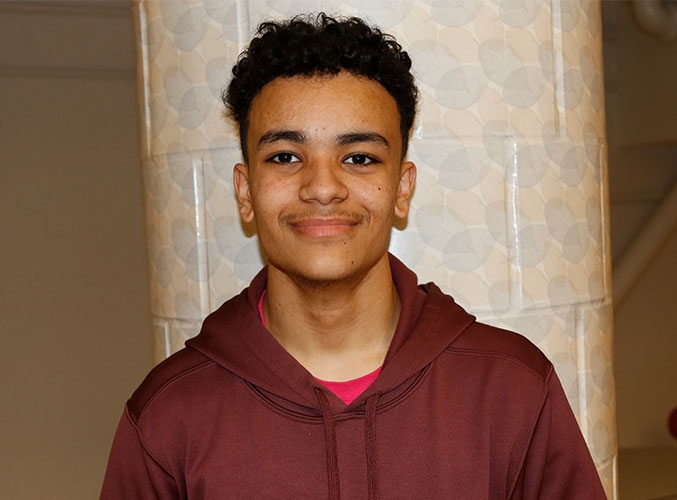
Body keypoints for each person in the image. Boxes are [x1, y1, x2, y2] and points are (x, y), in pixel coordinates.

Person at [100, 13, 607, 500]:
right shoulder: (168, 417)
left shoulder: (513, 389)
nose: (322, 187)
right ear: (246, 191)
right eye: (285, 157)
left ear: (401, 189)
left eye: (359, 157)